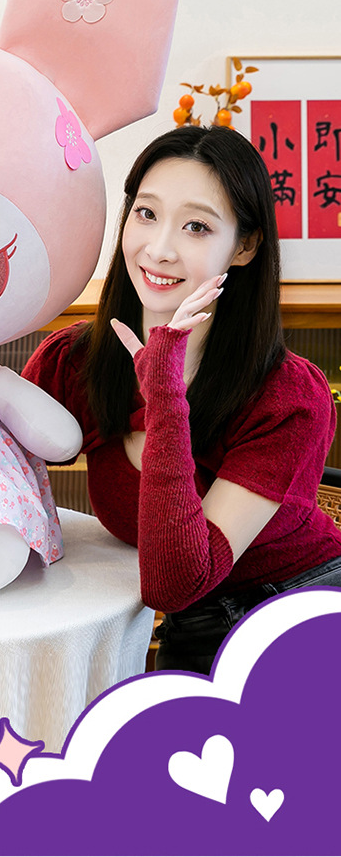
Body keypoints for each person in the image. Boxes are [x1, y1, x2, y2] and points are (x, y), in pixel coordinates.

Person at [23, 125, 341, 673]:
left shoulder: (289, 396)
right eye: (146, 213)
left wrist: (165, 391)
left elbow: (176, 583)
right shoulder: (74, 361)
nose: (160, 249)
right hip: (175, 619)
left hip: (295, 613)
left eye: (197, 226)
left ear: (244, 247)